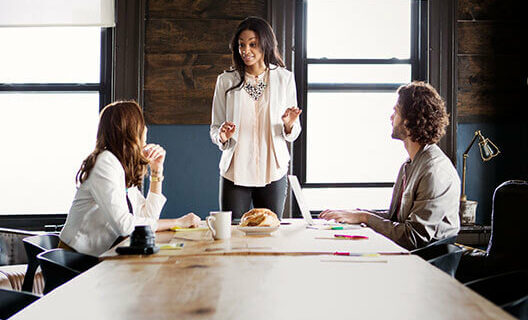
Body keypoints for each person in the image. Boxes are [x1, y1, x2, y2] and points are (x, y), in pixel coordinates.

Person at [320, 81, 460, 250]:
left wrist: (364, 217)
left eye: (396, 112)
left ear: (409, 121)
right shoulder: (409, 164)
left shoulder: (434, 171)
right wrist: (354, 214)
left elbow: (413, 237)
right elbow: (395, 219)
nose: (391, 117)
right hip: (408, 257)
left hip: (428, 262)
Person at [60, 101, 200, 257]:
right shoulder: (105, 162)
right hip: (76, 260)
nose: (145, 129)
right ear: (129, 130)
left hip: (100, 256)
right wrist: (177, 223)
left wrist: (156, 171)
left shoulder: (120, 164)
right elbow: (125, 226)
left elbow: (148, 219)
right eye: (141, 124)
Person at [210, 16, 302, 220]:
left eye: (252, 44)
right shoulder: (225, 81)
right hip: (235, 171)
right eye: (241, 45)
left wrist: (288, 125)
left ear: (265, 44)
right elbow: (215, 128)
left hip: (273, 171)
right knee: (232, 235)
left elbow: (293, 132)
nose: (245, 50)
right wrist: (222, 136)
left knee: (270, 234)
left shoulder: (284, 79)